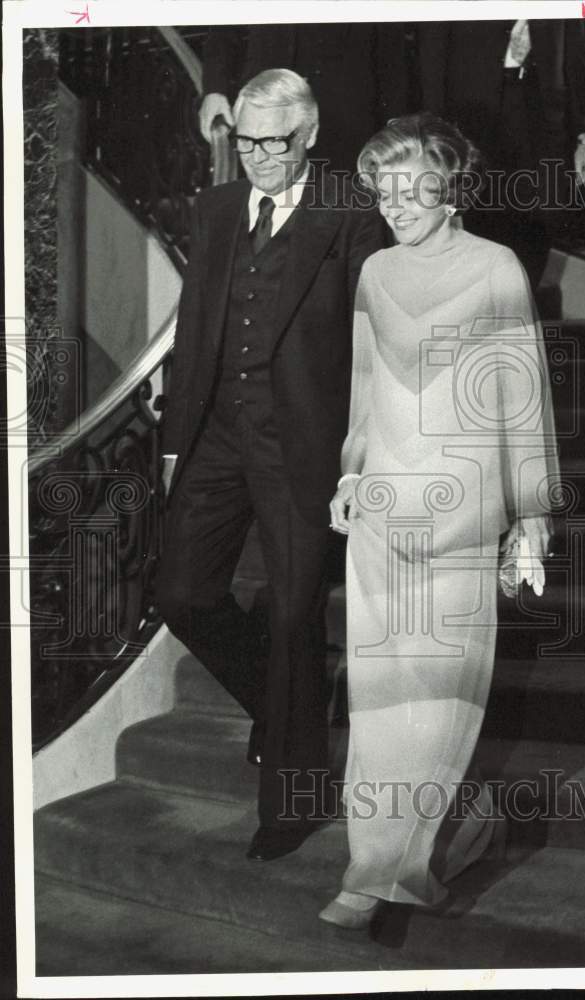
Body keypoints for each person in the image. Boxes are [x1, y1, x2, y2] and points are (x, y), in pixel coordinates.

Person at [320, 113, 558, 928]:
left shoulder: (495, 269)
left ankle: (416, 854)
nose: (394, 202)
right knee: (382, 706)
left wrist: (529, 516)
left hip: (462, 510)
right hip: (383, 511)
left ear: (450, 184)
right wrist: (351, 473)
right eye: (381, 188)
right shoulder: (374, 273)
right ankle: (373, 870)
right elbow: (361, 390)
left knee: (438, 706)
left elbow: (520, 400)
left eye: (410, 184)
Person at [156, 68, 383, 863]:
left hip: (304, 442)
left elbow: (372, 341)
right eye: (245, 140)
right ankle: (289, 708)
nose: (256, 156)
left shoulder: (350, 213)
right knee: (182, 593)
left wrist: (363, 451)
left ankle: (292, 800)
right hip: (218, 431)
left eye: (273, 142)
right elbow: (195, 331)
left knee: (291, 615)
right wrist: (175, 441)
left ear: (311, 136)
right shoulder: (215, 210)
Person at [418, 19, 585, 291]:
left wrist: (584, 137)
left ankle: (521, 317)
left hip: (544, 122)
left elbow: (575, 58)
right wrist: (436, 134)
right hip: (474, 121)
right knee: (480, 229)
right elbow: (431, 53)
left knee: (538, 230)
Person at [198, 24, 412, 174]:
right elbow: (223, 30)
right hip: (267, 107)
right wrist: (215, 89)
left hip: (344, 117)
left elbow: (391, 50)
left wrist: (395, 127)